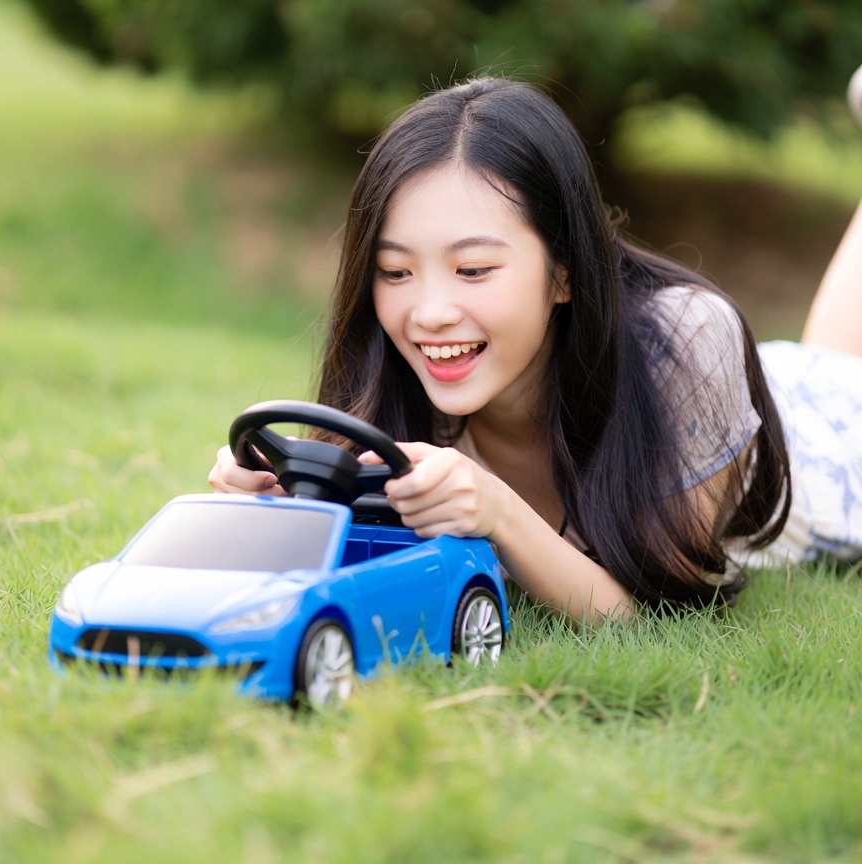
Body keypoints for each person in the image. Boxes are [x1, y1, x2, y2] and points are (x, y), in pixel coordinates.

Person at [210, 66, 862, 624]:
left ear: (564, 271)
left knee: (839, 374)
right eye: (395, 272)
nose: (430, 314)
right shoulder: (399, 389)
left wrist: (498, 510)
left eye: (473, 270)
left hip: (826, 444)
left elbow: (662, 607)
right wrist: (268, 503)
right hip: (773, 383)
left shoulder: (695, 337)